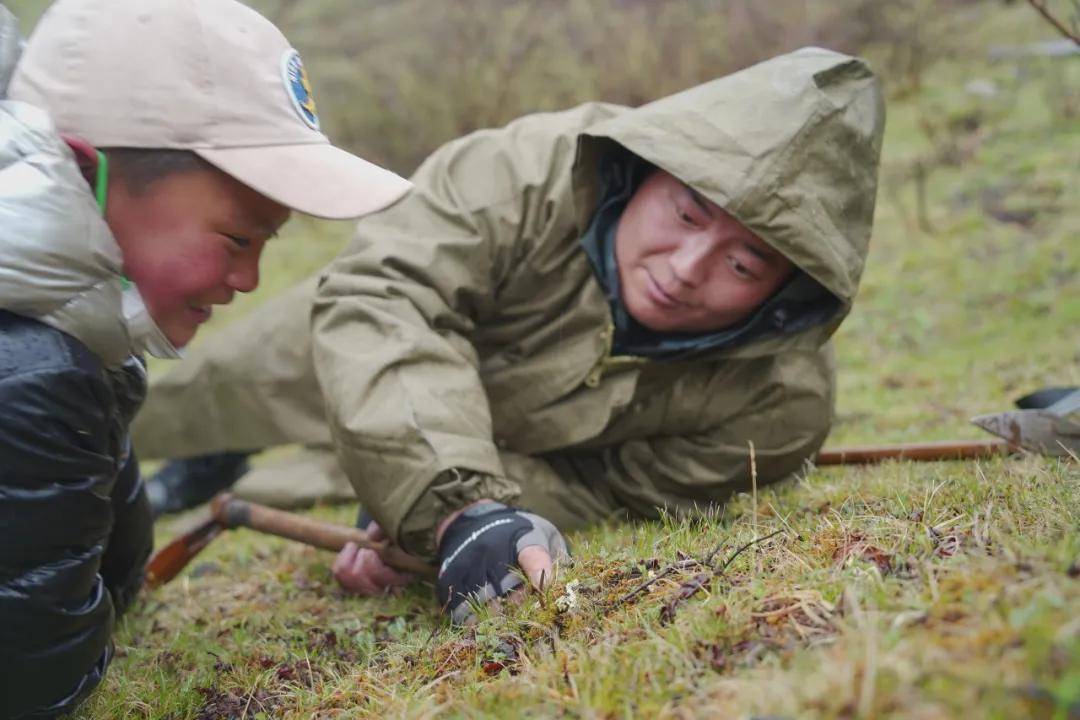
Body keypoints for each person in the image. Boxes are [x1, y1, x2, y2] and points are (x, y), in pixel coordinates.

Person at [132, 47, 885, 623]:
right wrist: (454, 504)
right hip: (368, 342)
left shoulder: (780, 410)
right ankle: (183, 455)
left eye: (746, 262)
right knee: (198, 395)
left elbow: (611, 490)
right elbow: (388, 296)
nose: (688, 268)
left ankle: (239, 478)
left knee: (346, 473)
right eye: (687, 215)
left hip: (507, 437)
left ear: (792, 287)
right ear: (645, 170)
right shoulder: (518, 172)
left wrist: (445, 513)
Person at [0, 0, 410, 716]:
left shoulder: (86, 350)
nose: (249, 280)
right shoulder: (35, 375)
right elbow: (39, 683)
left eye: (265, 245)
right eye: (235, 239)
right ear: (88, 172)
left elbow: (107, 586)